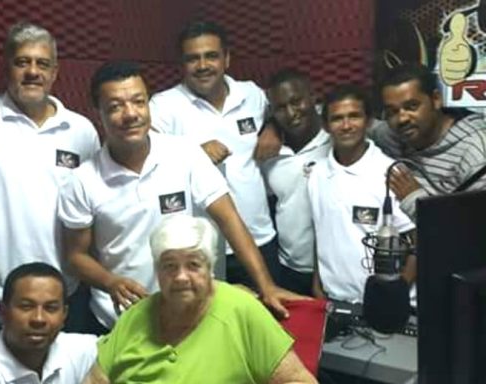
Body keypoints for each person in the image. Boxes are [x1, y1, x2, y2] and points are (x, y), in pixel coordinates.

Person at [58, 61, 306, 334]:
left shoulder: (185, 153)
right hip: (121, 320)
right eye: (116, 106)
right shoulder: (82, 181)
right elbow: (76, 256)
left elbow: (229, 219)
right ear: (99, 112)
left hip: (189, 313)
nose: (130, 114)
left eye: (138, 102)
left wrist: (266, 286)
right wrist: (110, 282)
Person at [69, 215, 319, 384]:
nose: (181, 277)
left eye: (193, 265)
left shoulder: (242, 312)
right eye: (169, 266)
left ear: (210, 268)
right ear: (157, 271)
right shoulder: (135, 316)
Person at [0, 21, 100, 300]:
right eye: (22, 62)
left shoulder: (82, 130)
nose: (33, 72)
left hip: (65, 292)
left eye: (42, 64)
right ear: (6, 68)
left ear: (55, 72)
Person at [149, 21, 278, 289]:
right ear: (182, 64)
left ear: (226, 58)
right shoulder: (163, 106)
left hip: (259, 237)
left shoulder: (251, 94)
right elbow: (146, 160)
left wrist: (275, 128)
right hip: (201, 248)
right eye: (192, 58)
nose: (203, 65)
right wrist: (194, 153)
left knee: (268, 308)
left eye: (211, 56)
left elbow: (286, 114)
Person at [307, 85, 416, 303]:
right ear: (326, 126)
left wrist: (398, 290)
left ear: (368, 121)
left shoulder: (391, 172)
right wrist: (318, 281)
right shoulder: (316, 174)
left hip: (384, 301)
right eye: (337, 119)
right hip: (335, 299)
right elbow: (322, 231)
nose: (346, 125)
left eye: (354, 116)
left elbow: (418, 241)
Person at [374, 63, 486, 220]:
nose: (402, 119)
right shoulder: (394, 134)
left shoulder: (474, 152)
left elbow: (477, 227)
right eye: (392, 112)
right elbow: (363, 127)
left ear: (436, 99)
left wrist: (414, 200)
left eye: (412, 106)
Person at [260, 69, 330, 295]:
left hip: (333, 270)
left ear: (313, 97)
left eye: (296, 102)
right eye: (281, 108)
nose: (291, 113)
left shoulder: (337, 142)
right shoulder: (269, 154)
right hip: (286, 268)